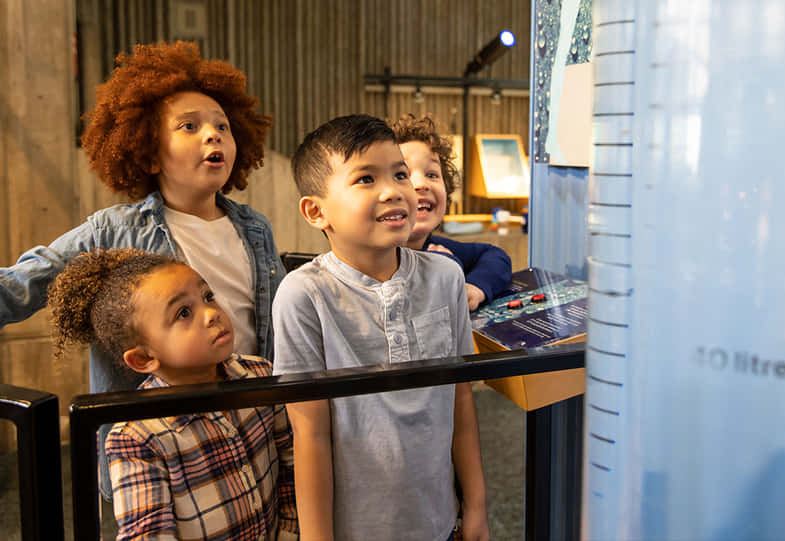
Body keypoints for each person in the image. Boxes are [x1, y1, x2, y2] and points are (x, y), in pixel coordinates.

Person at [0, 41, 285, 497]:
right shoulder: (114, 230)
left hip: (246, 427)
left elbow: (275, 325)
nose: (212, 135)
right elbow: (26, 281)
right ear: (150, 154)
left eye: (222, 127)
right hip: (156, 446)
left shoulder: (255, 229)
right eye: (189, 127)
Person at [273, 114, 490, 541]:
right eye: (366, 179)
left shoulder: (445, 276)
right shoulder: (303, 296)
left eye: (399, 174)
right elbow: (310, 435)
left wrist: (477, 505)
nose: (394, 191)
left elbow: (459, 400)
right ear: (316, 211)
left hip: (438, 521)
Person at [46, 248, 297, 540]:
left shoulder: (260, 375)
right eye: (183, 313)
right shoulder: (136, 436)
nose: (212, 314)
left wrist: (290, 532)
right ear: (143, 359)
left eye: (207, 296)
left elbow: (291, 465)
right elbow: (147, 532)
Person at [392, 114, 512, 310]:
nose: (421, 184)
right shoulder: (376, 261)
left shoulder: (436, 248)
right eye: (403, 175)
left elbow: (495, 256)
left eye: (432, 174)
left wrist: (474, 288)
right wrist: (448, 270)